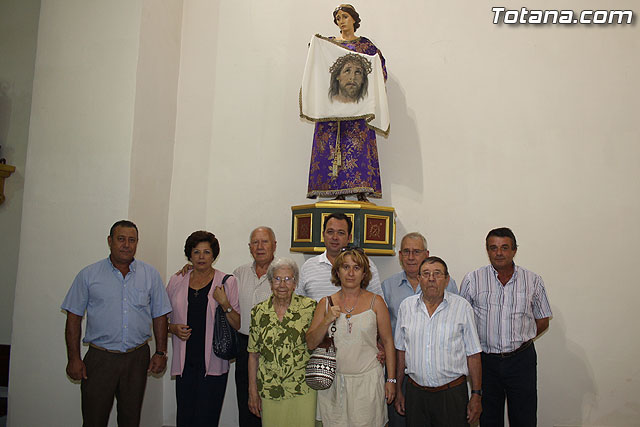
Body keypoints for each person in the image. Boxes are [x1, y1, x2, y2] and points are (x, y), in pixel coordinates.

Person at [62, 220, 172, 427]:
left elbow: (160, 315)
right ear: (110, 241)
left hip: (137, 358)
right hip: (100, 359)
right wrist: (73, 358)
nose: (126, 245)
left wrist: (160, 352)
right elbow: (73, 318)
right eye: (121, 239)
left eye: (132, 240)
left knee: (131, 419)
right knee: (94, 419)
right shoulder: (89, 275)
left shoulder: (150, 275)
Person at [459, 227, 552, 427]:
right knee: (488, 418)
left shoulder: (533, 280)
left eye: (504, 247)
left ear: (514, 250)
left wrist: (521, 337)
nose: (499, 253)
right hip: (485, 361)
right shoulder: (472, 280)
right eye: (493, 248)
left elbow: (543, 319)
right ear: (487, 250)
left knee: (524, 417)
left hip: (521, 360)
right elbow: (462, 322)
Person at [306, 248, 396, 426]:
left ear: (364, 274)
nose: (351, 273)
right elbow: (310, 343)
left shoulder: (376, 302)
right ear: (337, 271)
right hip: (333, 385)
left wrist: (391, 380)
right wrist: (326, 320)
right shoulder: (325, 303)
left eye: (356, 268)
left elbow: (388, 342)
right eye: (345, 267)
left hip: (368, 383)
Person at [307, 4, 387, 201]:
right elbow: (318, 63)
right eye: (338, 18)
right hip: (334, 109)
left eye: (344, 17)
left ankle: (361, 191)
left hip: (358, 108)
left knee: (359, 149)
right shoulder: (330, 44)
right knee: (334, 148)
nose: (341, 21)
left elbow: (379, 70)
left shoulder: (365, 46)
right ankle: (338, 191)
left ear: (353, 19)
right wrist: (317, 47)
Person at [381, 232, 458, 426]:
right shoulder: (387, 286)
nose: (411, 257)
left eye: (416, 252)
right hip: (399, 368)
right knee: (399, 421)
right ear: (399, 255)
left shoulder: (447, 284)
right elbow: (380, 328)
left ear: (426, 254)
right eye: (406, 252)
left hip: (438, 374)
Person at [394, 257, 482, 427]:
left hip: (452, 395)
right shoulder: (406, 307)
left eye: (437, 274)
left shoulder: (462, 307)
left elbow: (473, 354)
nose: (431, 279)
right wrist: (398, 390)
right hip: (416, 395)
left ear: (447, 279)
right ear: (419, 278)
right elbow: (401, 352)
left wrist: (476, 394)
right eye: (426, 274)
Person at [166, 230, 240, 426]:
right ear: (189, 255)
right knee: (184, 418)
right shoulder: (177, 280)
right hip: (185, 363)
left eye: (206, 252)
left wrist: (225, 304)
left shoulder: (227, 282)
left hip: (214, 363)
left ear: (214, 255)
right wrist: (172, 328)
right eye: (196, 252)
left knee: (207, 419)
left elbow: (237, 323)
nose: (201, 257)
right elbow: (161, 319)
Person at [247, 258, 317, 426]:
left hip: (303, 388)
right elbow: (253, 355)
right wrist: (252, 391)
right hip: (270, 389)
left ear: (295, 283)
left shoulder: (310, 308)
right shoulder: (259, 312)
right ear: (270, 282)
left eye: (288, 279)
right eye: (277, 279)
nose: (282, 284)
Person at [233, 227, 278, 427]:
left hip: (274, 349)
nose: (260, 247)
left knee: (272, 405)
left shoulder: (284, 272)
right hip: (245, 347)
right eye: (255, 242)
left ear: (274, 245)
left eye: (265, 242)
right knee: (247, 403)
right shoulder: (239, 273)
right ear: (249, 247)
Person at [297, 212, 382, 302]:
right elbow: (298, 305)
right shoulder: (308, 266)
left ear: (349, 238)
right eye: (330, 232)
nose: (335, 237)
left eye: (341, 233)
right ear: (323, 235)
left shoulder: (365, 264)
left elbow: (377, 303)